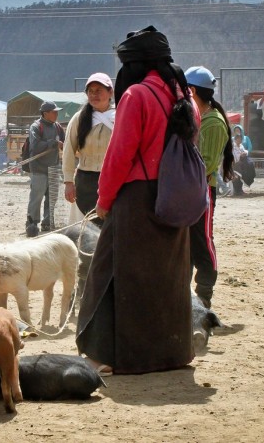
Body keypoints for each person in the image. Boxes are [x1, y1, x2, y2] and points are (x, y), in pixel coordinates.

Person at [76, 25, 196, 375]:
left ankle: (107, 355)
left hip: (137, 199)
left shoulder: (137, 96)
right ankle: (171, 353)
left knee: (110, 273)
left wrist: (104, 199)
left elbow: (120, 155)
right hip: (174, 197)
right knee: (167, 278)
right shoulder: (184, 97)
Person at [185, 65, 234, 308]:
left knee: (203, 241)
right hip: (187, 190)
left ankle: (205, 292)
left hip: (201, 191)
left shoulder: (213, 123)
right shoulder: (196, 117)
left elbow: (206, 164)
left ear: (191, 90)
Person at [62, 72, 115, 226]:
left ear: (110, 92)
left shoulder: (119, 117)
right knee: (84, 226)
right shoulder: (80, 118)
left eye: (98, 90)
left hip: (112, 179)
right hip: (85, 181)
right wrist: (68, 182)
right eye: (90, 91)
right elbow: (68, 150)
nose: (94, 95)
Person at [25, 101, 64, 236]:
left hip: (54, 167)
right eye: (54, 112)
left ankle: (48, 222)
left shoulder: (58, 127)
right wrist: (53, 143)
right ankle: (32, 223)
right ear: (45, 113)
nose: (56, 114)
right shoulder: (36, 127)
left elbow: (65, 143)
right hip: (39, 168)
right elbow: (35, 147)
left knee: (52, 197)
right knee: (37, 196)